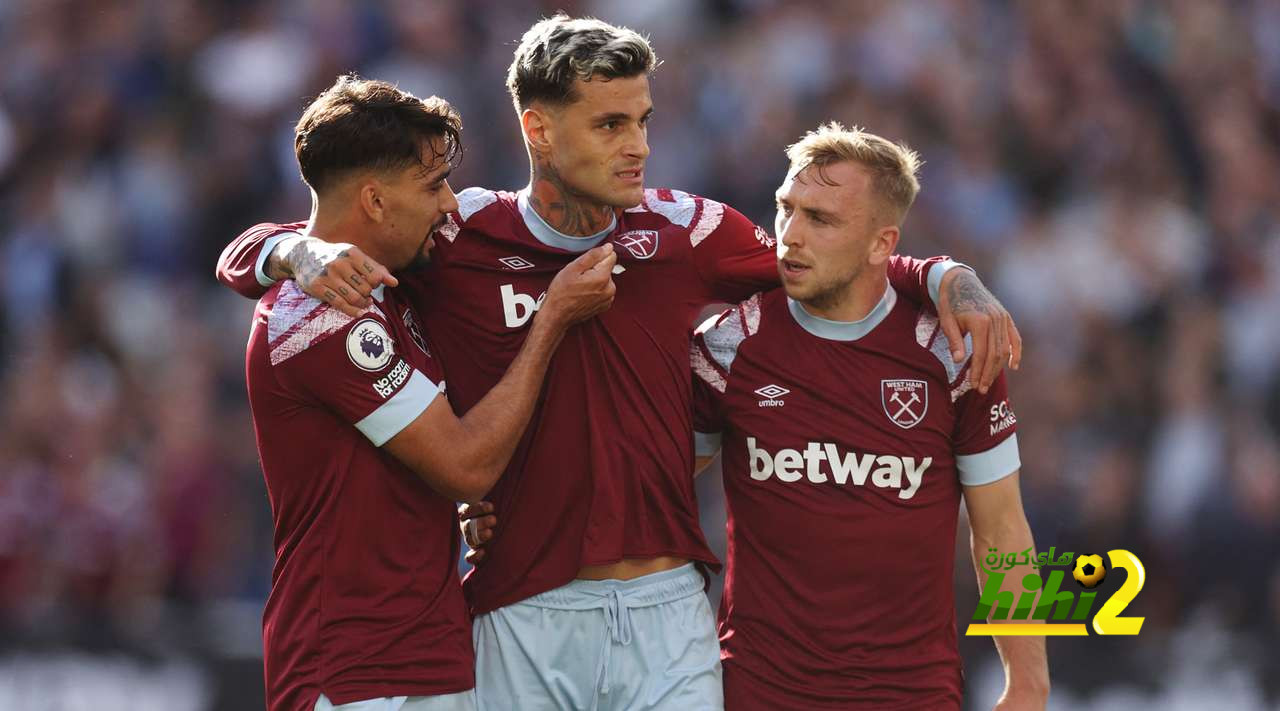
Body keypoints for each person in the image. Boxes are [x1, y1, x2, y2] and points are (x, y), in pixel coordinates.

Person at [217, 16, 1019, 711]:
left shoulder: (695, 235)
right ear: (538, 130)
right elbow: (330, 238)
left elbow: (827, 261)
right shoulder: (456, 237)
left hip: (691, 624)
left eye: (642, 121)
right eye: (610, 125)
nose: (639, 147)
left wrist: (944, 274)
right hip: (528, 615)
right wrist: (286, 251)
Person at [244, 75, 616, 711]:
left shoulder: (387, 284)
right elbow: (465, 465)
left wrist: (281, 247)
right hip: (351, 671)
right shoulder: (323, 318)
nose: (448, 204)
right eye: (432, 185)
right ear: (374, 201)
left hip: (427, 656)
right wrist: (551, 320)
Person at [689, 124, 1047, 709]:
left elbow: (1003, 530)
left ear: (882, 244)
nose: (790, 235)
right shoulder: (732, 342)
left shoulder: (953, 353)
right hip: (761, 692)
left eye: (820, 219)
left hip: (912, 694)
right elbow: (655, 489)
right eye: (786, 208)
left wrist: (1029, 682)